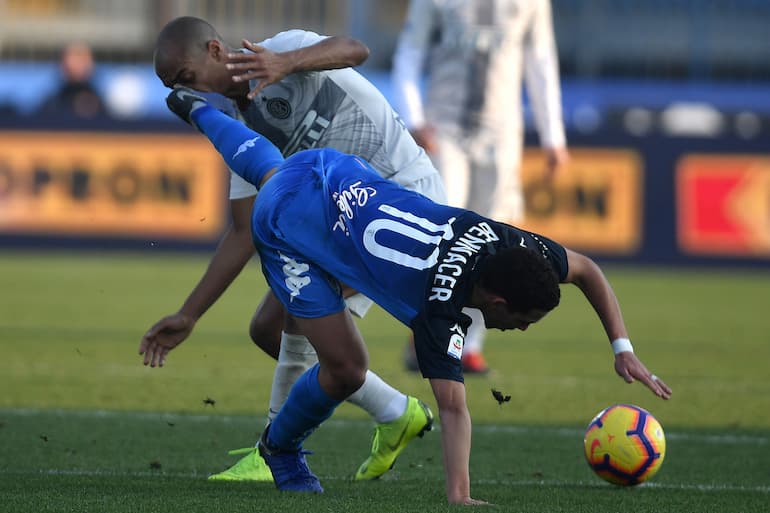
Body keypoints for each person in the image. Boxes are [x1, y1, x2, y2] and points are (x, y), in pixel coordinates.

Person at [140, 88, 672, 505]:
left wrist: (622, 347)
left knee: (274, 168)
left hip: (335, 171)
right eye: (524, 322)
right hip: (289, 227)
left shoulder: (516, 244)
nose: (524, 331)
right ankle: (280, 450)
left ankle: (197, 112)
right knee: (345, 367)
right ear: (499, 302)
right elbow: (455, 410)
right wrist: (458, 496)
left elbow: (586, 271)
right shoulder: (439, 311)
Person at [144, 16, 446, 482]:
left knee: (298, 307)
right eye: (177, 88)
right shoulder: (244, 135)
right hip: (351, 223)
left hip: (406, 199)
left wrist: (286, 63)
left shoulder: (283, 48)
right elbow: (243, 233)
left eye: (187, 77)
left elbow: (355, 49)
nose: (194, 91)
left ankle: (275, 453)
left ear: (215, 50)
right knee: (267, 327)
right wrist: (189, 314)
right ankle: (395, 411)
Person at [391, 0, 570, 373]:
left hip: (501, 131)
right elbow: (410, 50)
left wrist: (553, 134)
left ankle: (468, 345)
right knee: (444, 233)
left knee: (498, 236)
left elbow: (541, 59)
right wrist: (414, 117)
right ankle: (427, 329)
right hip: (444, 129)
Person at [37, 41, 108, 119]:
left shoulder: (100, 104)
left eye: (83, 57)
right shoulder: (52, 104)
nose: (79, 63)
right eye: (76, 56)